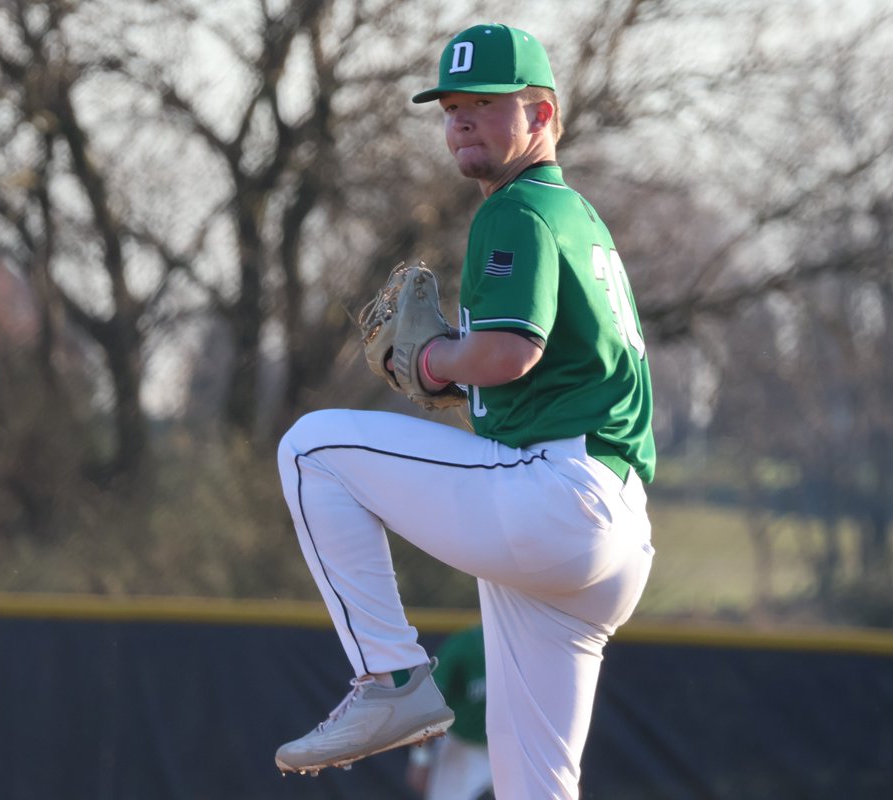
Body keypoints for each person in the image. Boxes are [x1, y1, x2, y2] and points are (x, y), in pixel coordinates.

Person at [274, 22, 656, 799]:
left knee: (313, 449)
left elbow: (511, 351)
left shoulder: (514, 209)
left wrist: (429, 359)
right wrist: (459, 374)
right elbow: (533, 374)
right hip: (607, 533)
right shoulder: (576, 217)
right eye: (451, 109)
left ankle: (389, 674)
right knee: (535, 786)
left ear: (542, 115)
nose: (460, 124)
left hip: (557, 495)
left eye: (484, 104)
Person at [405, 624, 493, 800]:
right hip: (463, 745)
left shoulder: (532, 645)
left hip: (516, 748)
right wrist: (421, 759)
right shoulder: (466, 645)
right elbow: (428, 704)